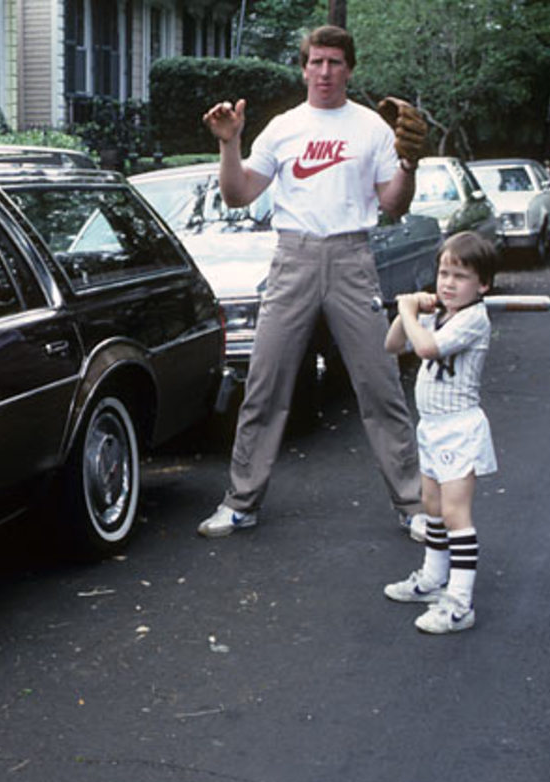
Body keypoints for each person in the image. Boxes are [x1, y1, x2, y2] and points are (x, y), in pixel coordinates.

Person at [197, 24, 426, 541]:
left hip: (352, 258)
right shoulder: (282, 128)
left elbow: (394, 203)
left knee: (380, 385)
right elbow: (237, 195)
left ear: (349, 68)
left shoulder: (371, 128)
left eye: (335, 63)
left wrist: (409, 162)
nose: (325, 72)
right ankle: (240, 502)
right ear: (303, 68)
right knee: (264, 383)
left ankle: (413, 504)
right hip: (292, 258)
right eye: (316, 62)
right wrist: (229, 144)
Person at [381, 231, 497, 634]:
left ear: (482, 284)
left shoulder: (473, 319)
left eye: (460, 277)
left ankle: (460, 603)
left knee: (454, 513)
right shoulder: (438, 313)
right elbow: (393, 344)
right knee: (431, 506)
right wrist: (407, 311)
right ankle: (433, 580)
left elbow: (426, 349)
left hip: (459, 428)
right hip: (431, 427)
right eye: (443, 274)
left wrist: (412, 314)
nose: (448, 283)